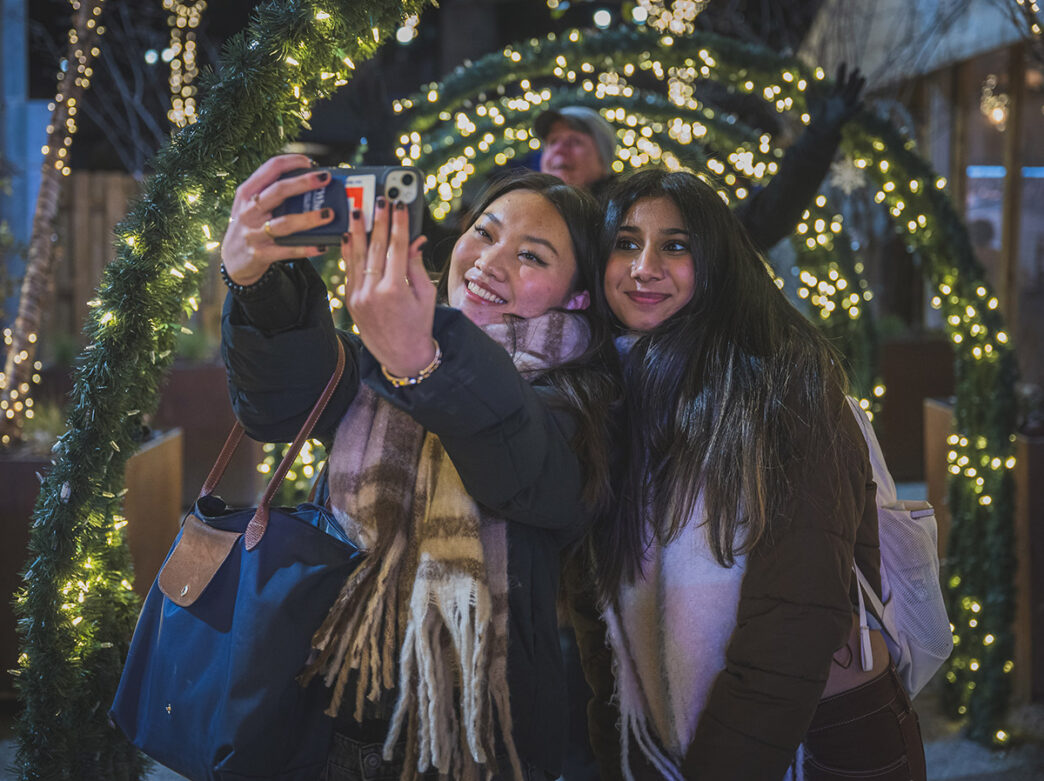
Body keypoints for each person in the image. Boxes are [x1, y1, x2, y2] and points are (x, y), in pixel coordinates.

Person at [219, 155, 616, 781]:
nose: (491, 259)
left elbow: (520, 460)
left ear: (579, 295)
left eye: (532, 256)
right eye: (484, 232)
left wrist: (424, 359)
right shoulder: (384, 359)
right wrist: (256, 284)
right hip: (321, 718)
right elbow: (281, 402)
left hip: (473, 743)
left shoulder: (579, 405)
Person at [567, 168, 926, 780]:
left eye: (676, 246)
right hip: (666, 742)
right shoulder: (603, 397)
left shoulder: (784, 388)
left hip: (821, 740)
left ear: (717, 263)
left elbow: (797, 616)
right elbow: (597, 614)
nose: (644, 266)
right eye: (625, 243)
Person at [534, 64, 867, 252]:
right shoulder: (522, 211)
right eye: (552, 142)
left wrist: (817, 141)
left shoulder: (632, 210)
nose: (560, 149)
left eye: (574, 141)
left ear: (604, 157)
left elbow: (754, 226)